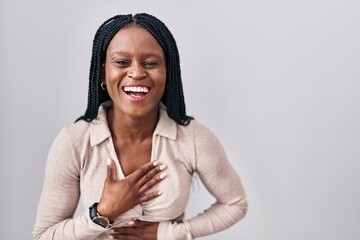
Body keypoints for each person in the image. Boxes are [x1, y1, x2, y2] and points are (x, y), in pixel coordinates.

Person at [33, 13, 248, 240]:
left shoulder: (193, 138)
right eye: (122, 62)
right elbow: (44, 236)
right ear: (103, 74)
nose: (136, 73)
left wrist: (169, 233)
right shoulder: (74, 142)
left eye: (151, 63)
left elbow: (236, 203)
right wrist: (102, 213)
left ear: (168, 73)